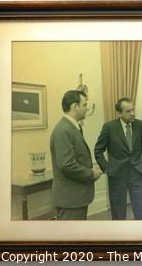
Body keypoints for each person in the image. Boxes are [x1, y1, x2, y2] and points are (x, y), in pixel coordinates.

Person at [94, 97, 142, 220]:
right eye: (128, 111)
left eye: (133, 110)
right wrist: (108, 169)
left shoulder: (139, 125)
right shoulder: (109, 127)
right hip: (117, 175)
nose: (132, 113)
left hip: (137, 172)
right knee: (118, 211)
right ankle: (120, 236)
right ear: (119, 113)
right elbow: (98, 151)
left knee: (141, 208)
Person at [50, 90, 102, 220]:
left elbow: (75, 159)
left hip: (75, 197)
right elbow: (67, 165)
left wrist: (90, 169)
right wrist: (91, 174)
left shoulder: (71, 127)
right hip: (71, 200)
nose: (87, 108)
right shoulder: (64, 130)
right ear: (75, 106)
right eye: (85, 105)